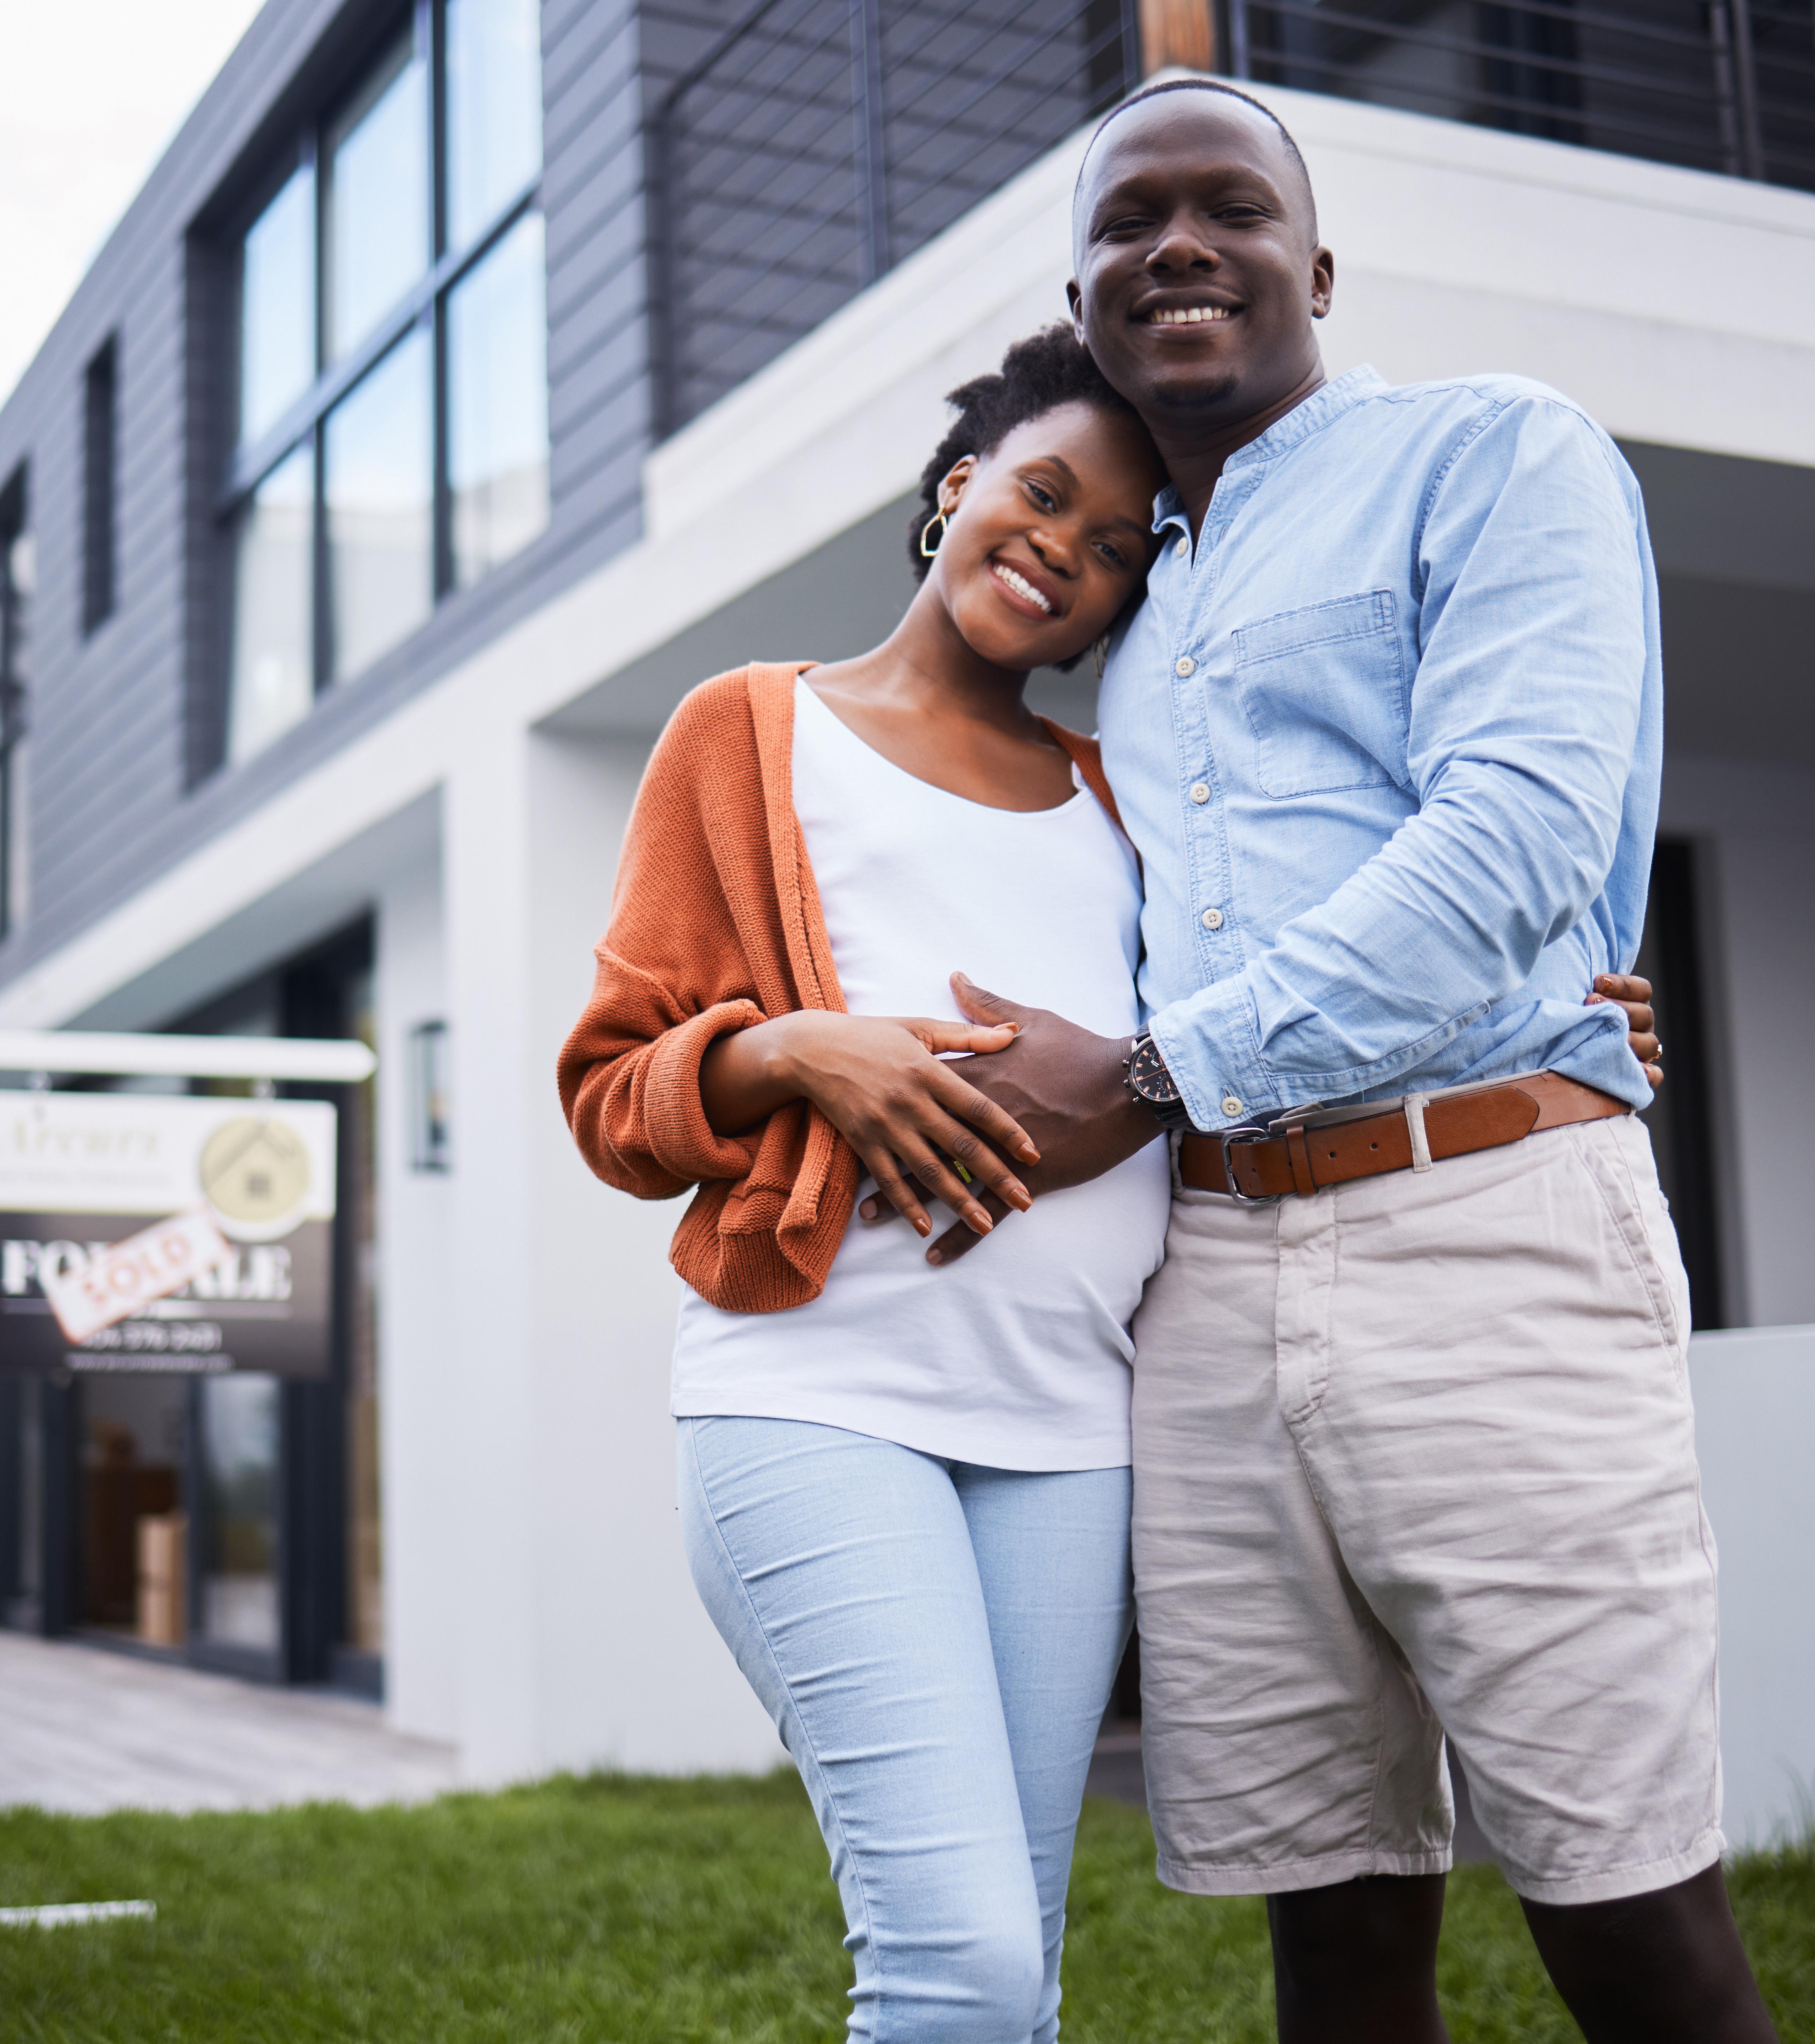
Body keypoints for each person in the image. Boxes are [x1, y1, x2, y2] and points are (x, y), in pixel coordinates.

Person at [912, 76, 1777, 2044]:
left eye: (1227, 207)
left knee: (1623, 1898)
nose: (1179, 245)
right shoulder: (1124, 613)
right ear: (1087, 287)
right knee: (1332, 1909)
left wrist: (1145, 1070)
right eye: (1131, 224)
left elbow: (1516, 844)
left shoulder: (1493, 454)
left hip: (1485, 1229)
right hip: (1203, 1296)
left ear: (1317, 262)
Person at [558, 327, 1167, 2044]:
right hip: (825, 1402)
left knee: (1013, 1974)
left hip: (1068, 1433)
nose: (1064, 546)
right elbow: (611, 1092)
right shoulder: (751, 731)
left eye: (1117, 545)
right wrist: (793, 1051)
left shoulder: (1124, 807)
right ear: (955, 487)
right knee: (957, 1966)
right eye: (1044, 493)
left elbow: (1254, 1037)